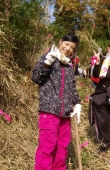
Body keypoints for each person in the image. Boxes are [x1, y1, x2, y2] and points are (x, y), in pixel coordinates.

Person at [32, 33, 81, 170]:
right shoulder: (49, 57)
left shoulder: (69, 66)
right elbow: (36, 78)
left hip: (65, 113)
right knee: (47, 147)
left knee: (62, 148)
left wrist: (77, 103)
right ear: (60, 42)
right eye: (66, 44)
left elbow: (71, 87)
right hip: (49, 111)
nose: (68, 48)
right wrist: (47, 63)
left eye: (72, 47)